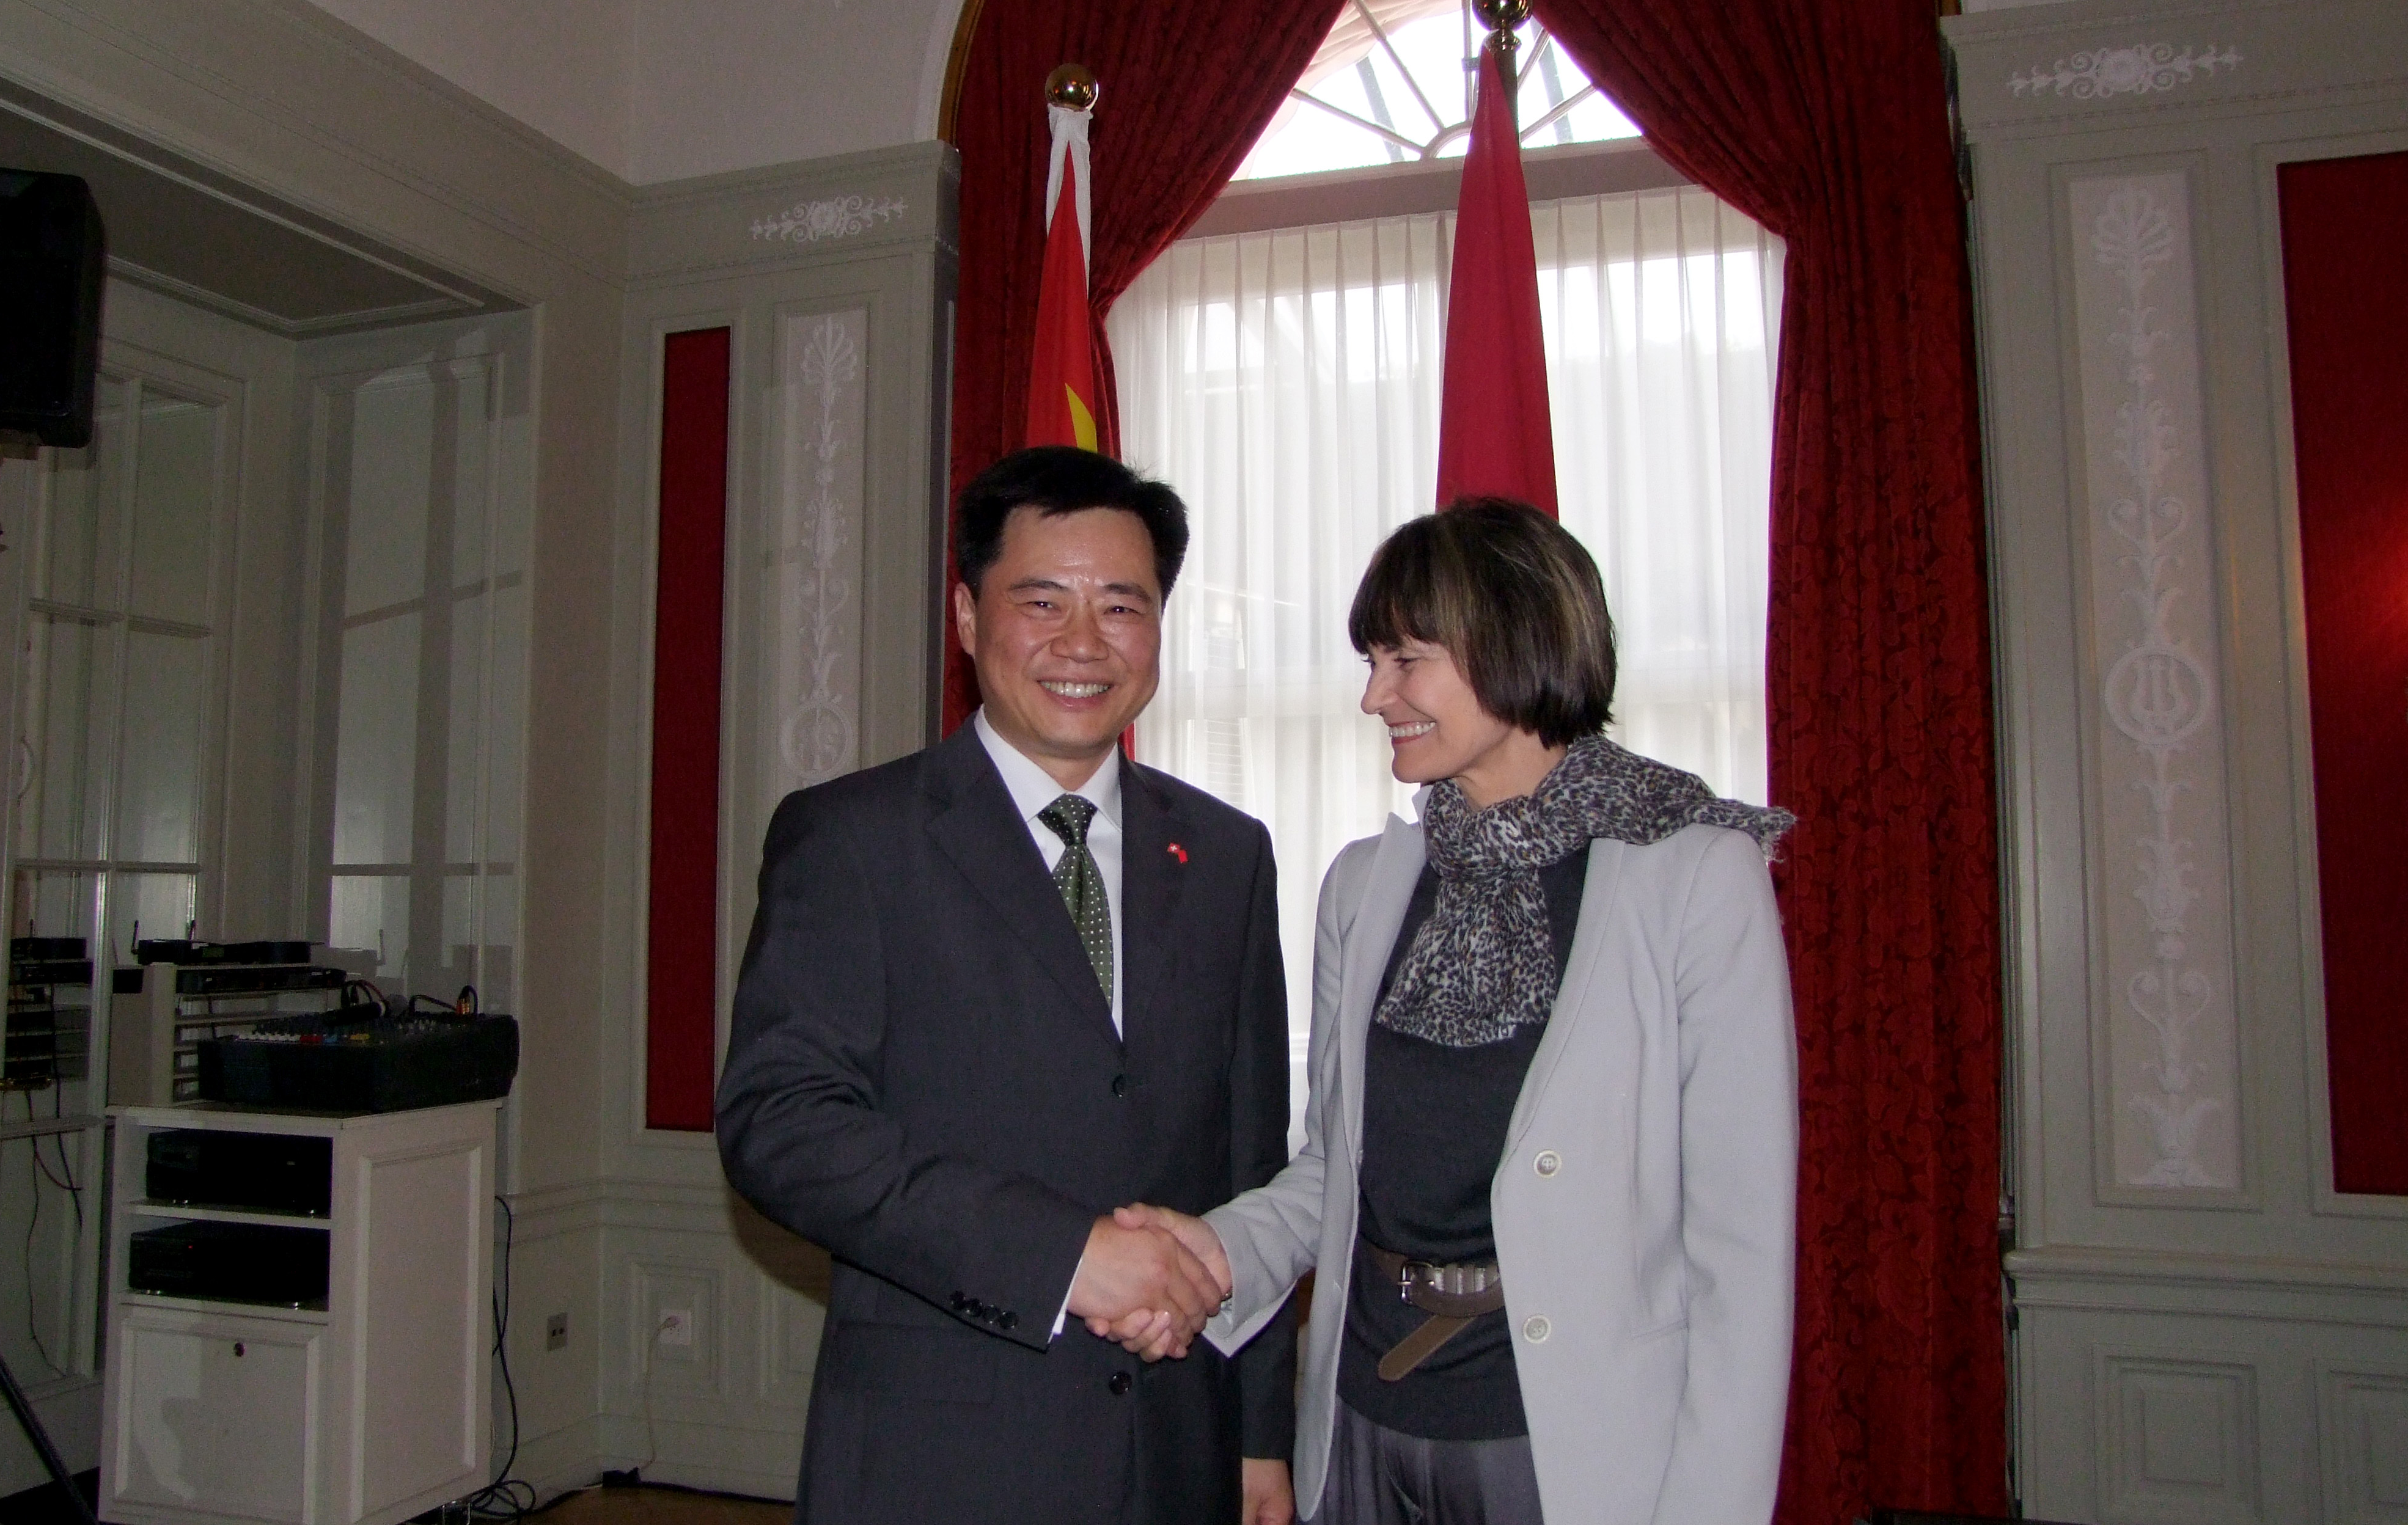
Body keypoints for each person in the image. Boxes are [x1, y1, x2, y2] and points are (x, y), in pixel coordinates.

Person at [1107, 497, 1796, 1524]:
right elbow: (1336, 1169)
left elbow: (1740, 1249)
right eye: (1371, 662)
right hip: (1362, 1425)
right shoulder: (1363, 886)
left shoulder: (1695, 878)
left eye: (1405, 660)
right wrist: (1210, 1255)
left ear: (1514, 643)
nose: (1373, 696)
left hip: (1569, 1449)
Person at [715, 445, 1298, 1525]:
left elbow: (1251, 1162)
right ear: (968, 616)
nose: (1083, 643)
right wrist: (1063, 1259)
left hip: (1178, 1443)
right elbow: (782, 1124)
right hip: (942, 1454)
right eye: (1042, 602)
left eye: (1120, 606)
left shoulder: (1227, 854)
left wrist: (1261, 1435)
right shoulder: (853, 839)